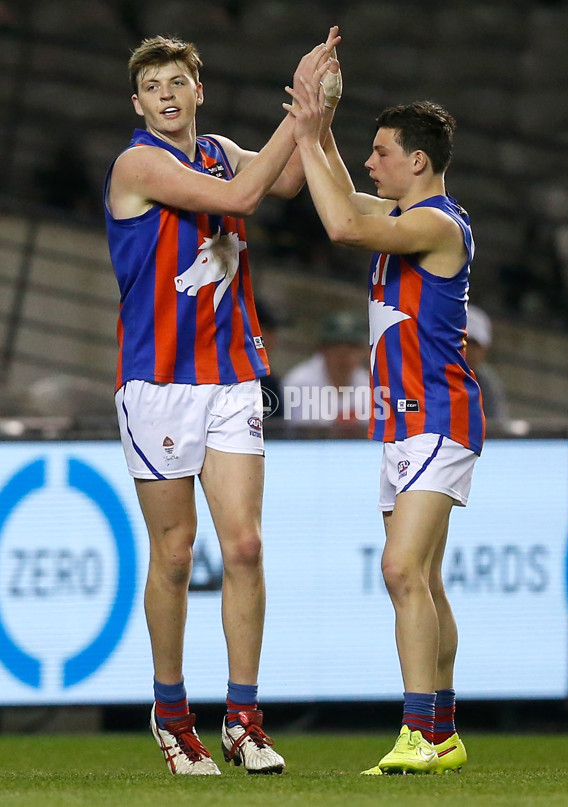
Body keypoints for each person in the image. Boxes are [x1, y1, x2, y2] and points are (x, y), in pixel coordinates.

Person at [104, 30, 340, 776]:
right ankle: (173, 716)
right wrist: (297, 107)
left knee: (243, 546)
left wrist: (321, 112)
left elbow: (290, 182)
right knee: (174, 554)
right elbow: (244, 198)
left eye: (178, 81)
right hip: (159, 382)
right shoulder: (138, 163)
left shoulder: (224, 148)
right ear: (137, 103)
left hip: (234, 375)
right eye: (153, 87)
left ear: (197, 91)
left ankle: (244, 719)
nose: (167, 95)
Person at [285, 73, 485, 774]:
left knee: (400, 567)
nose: (370, 163)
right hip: (403, 424)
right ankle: (446, 730)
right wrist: (325, 120)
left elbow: (341, 223)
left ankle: (420, 734)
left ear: (418, 161)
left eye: (381, 151)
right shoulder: (406, 217)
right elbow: (340, 197)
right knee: (423, 579)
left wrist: (311, 134)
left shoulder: (433, 224)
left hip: (440, 416)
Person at [282, 310, 369, 428]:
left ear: (363, 351)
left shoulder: (368, 383)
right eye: (336, 346)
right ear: (323, 349)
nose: (344, 354)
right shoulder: (299, 382)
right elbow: (305, 436)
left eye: (352, 347)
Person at [465, 305, 510, 428]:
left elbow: (497, 427)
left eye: (475, 345)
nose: (469, 350)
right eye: (465, 341)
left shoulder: (487, 383)